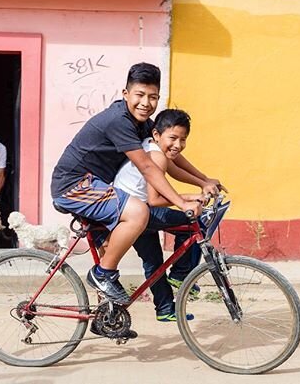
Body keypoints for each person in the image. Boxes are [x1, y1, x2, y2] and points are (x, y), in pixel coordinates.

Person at [51, 62, 221, 308]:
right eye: (139, 95)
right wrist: (181, 202)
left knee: (113, 242)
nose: (146, 103)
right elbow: (148, 167)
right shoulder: (119, 121)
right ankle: (103, 274)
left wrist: (203, 179)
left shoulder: (143, 123)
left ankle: (106, 316)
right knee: (138, 211)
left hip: (96, 185)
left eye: (152, 97)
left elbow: (168, 153)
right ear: (125, 94)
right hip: (75, 186)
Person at [113, 109, 207, 322]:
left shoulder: (153, 148)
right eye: (173, 138)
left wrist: (203, 182)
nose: (178, 145)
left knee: (153, 262)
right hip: (137, 210)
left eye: (183, 140)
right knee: (194, 222)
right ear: (157, 135)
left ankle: (165, 308)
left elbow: (174, 170)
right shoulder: (156, 156)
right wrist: (190, 198)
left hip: (129, 210)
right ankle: (181, 275)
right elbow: (154, 200)